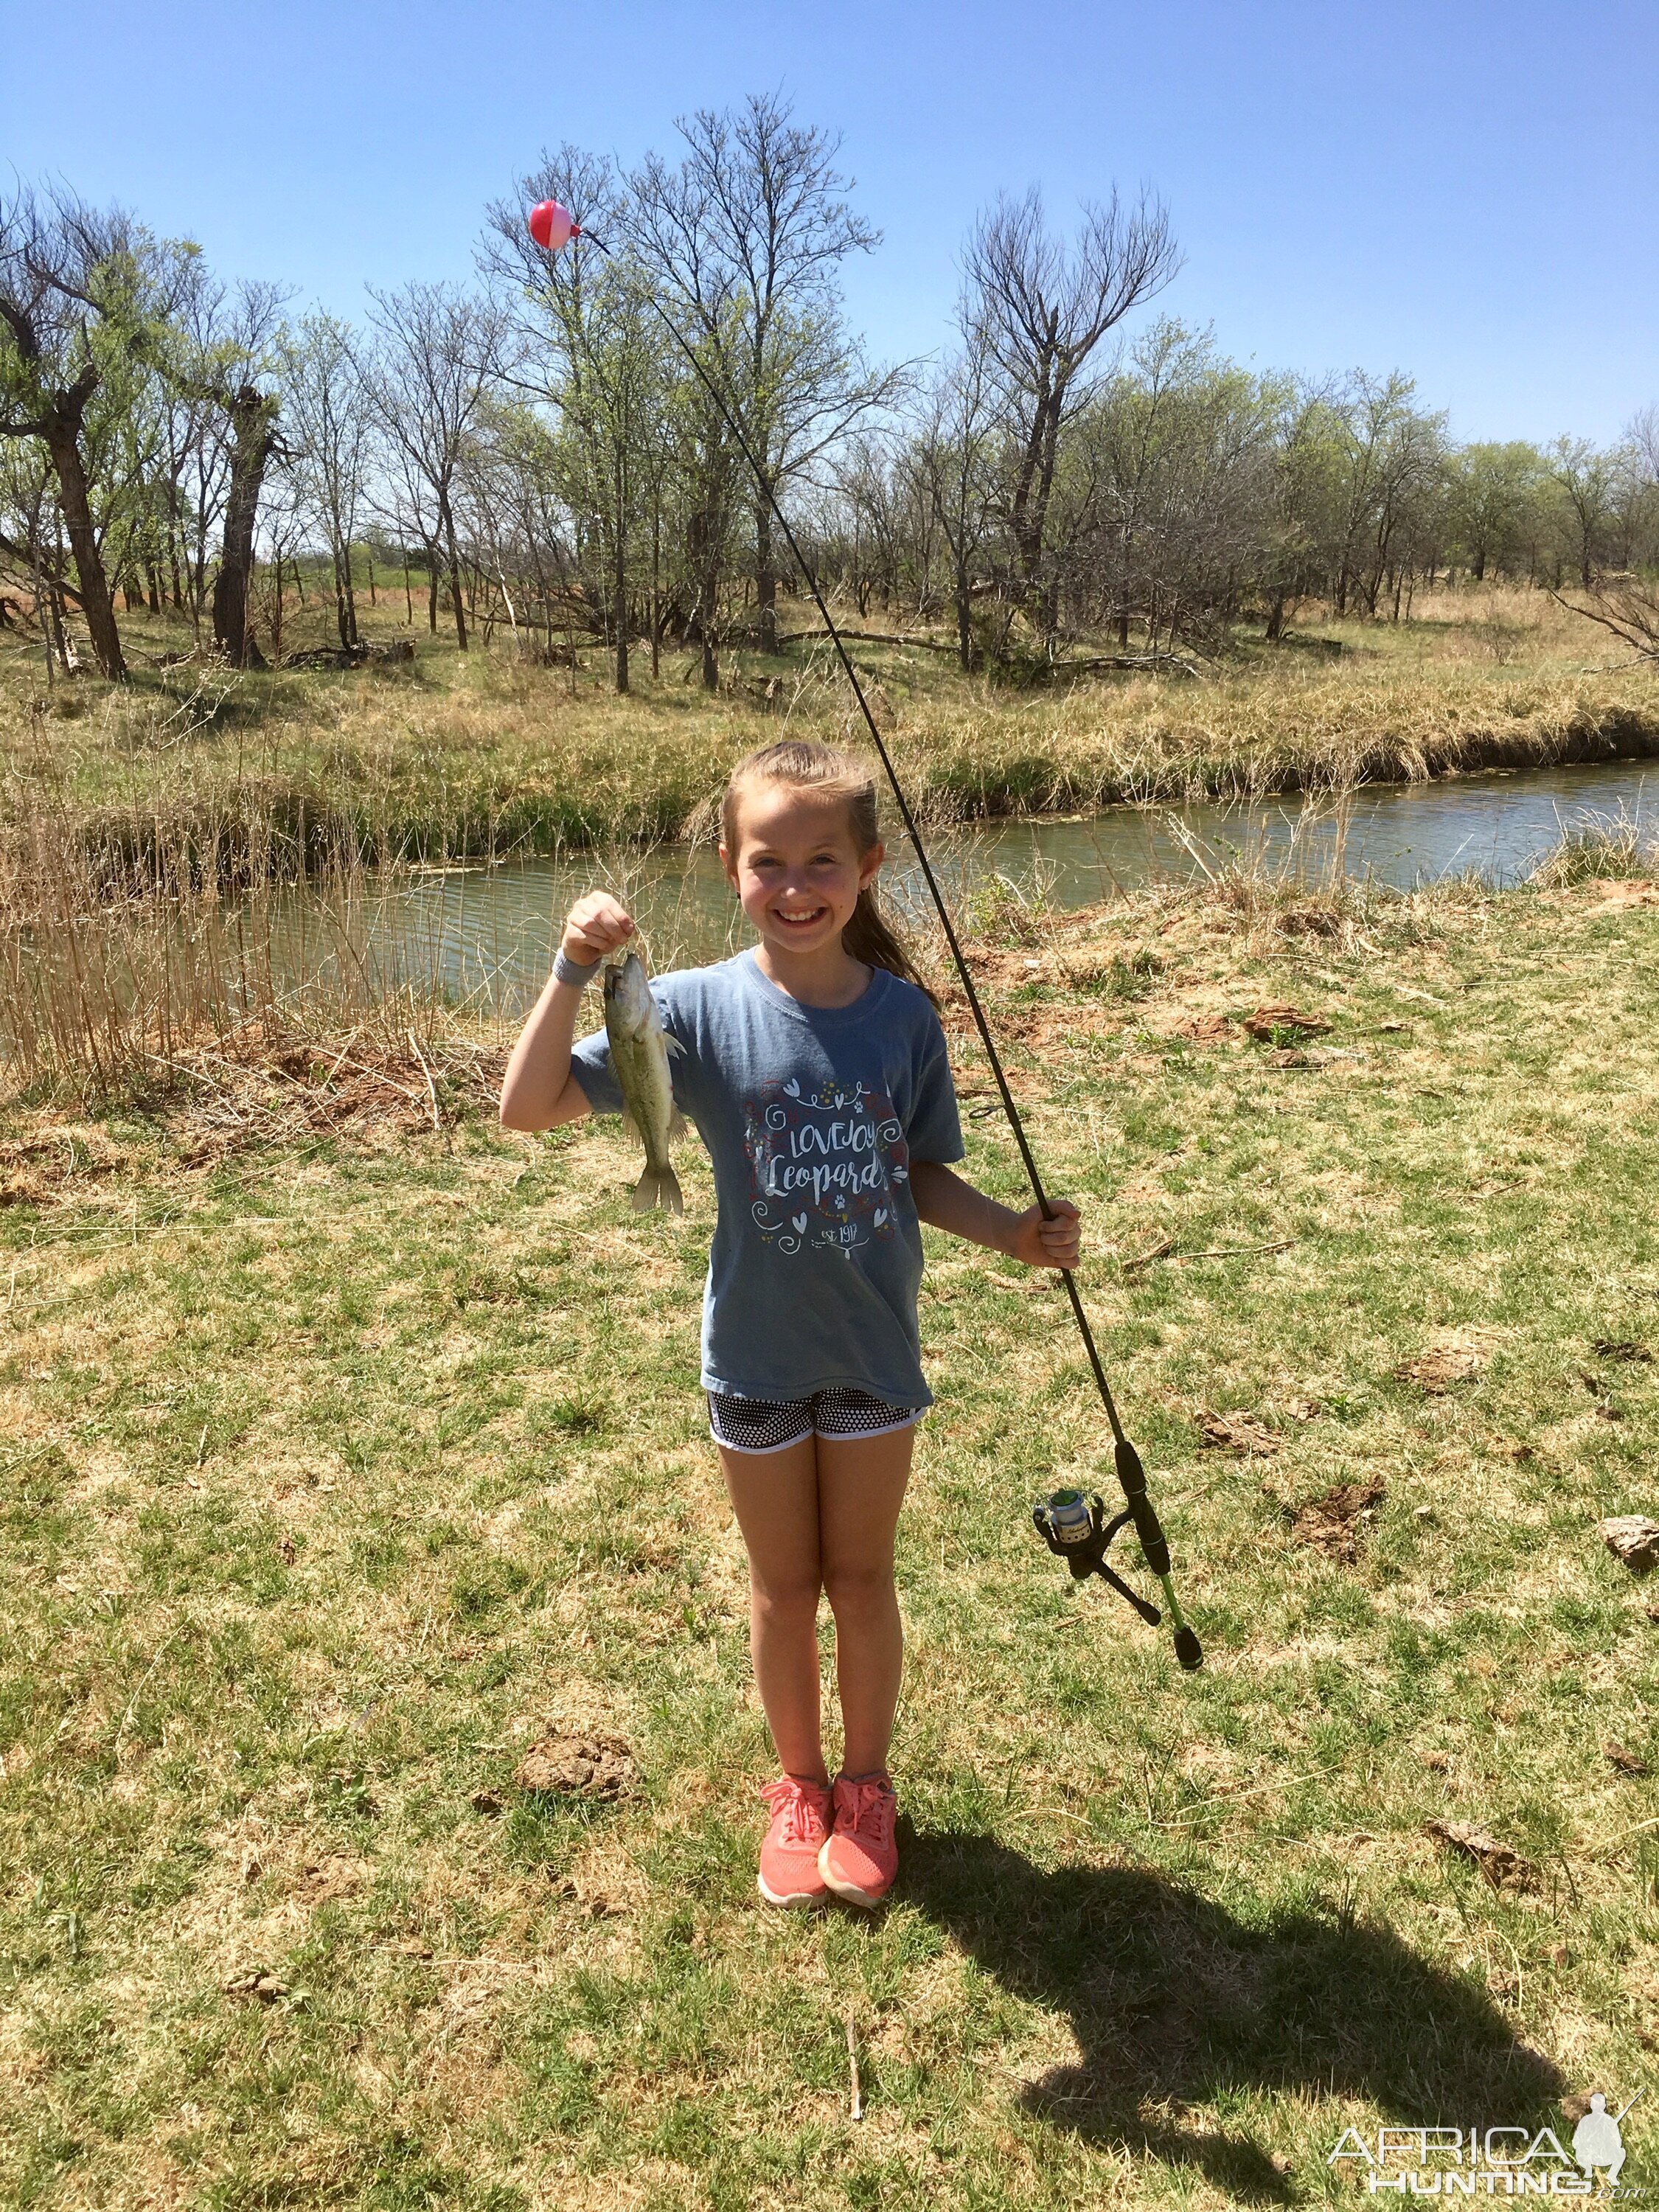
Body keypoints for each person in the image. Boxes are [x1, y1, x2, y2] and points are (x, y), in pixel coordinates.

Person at [499, 738, 1081, 1909]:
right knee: (781, 1589)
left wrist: (1013, 1232)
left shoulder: (904, 1020)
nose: (797, 885)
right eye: (769, 862)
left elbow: (914, 1171)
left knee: (861, 1581)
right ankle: (798, 1788)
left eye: (823, 860)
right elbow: (526, 1108)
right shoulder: (690, 1009)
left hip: (872, 1355)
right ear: (730, 868)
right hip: (753, 1358)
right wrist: (571, 964)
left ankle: (865, 1788)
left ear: (867, 870)